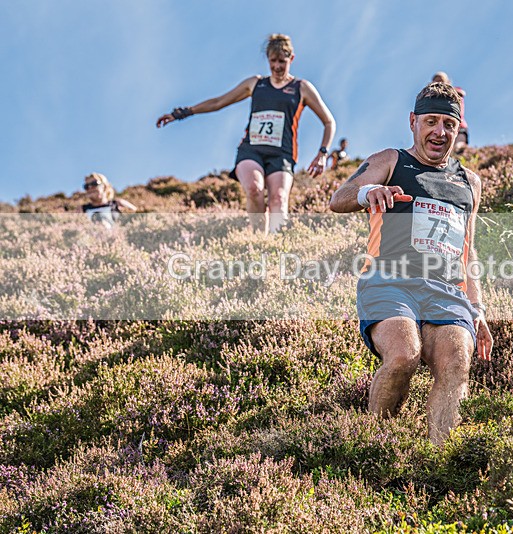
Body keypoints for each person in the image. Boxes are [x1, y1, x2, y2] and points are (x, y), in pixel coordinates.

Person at [329, 82, 493, 445]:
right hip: (390, 281)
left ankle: (436, 458)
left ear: (458, 128)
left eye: (448, 124)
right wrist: (367, 192)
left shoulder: (470, 182)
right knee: (404, 356)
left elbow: (469, 249)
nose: (439, 131)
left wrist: (477, 308)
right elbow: (337, 198)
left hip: (447, 290)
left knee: (456, 363)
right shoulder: (390, 161)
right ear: (413, 121)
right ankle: (376, 448)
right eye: (431, 121)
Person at [157, 34, 335, 234]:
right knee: (254, 189)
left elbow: (329, 122)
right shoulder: (256, 84)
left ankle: (277, 245)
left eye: (282, 62)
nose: (277, 66)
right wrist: (182, 113)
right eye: (273, 61)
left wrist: (322, 153)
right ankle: (258, 241)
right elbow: (218, 102)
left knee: (278, 198)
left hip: (282, 153)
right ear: (268, 59)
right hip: (251, 150)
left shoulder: (301, 88)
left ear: (291, 59)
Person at [431, 72, 468, 153]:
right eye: (436, 81)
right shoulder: (430, 98)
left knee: (458, 148)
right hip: (440, 129)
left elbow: (461, 94)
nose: (439, 83)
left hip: (459, 126)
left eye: (442, 80)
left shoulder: (455, 93)